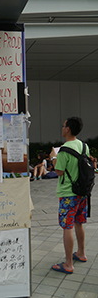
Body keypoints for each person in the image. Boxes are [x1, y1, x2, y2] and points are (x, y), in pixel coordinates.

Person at [50, 117, 88, 274]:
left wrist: (53, 157)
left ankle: (68, 264)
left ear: (68, 129)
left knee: (67, 226)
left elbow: (59, 171)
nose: (62, 127)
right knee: (79, 222)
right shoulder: (84, 146)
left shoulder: (64, 150)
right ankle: (81, 253)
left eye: (63, 125)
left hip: (68, 194)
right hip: (82, 193)